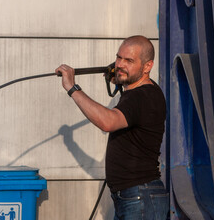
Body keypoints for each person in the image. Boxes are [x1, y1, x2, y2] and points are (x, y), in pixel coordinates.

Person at [55, 35, 168, 220]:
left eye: (129, 60)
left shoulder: (143, 96)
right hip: (132, 196)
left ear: (147, 66)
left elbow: (108, 122)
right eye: (119, 58)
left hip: (140, 197)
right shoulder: (140, 90)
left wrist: (72, 88)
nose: (120, 64)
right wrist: (121, 78)